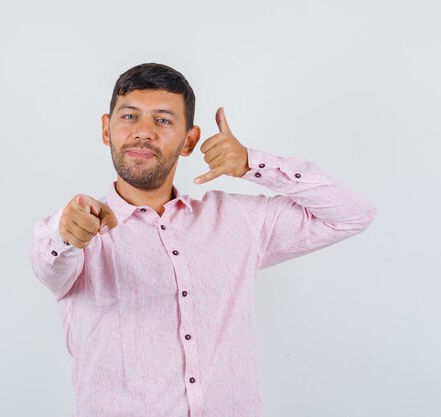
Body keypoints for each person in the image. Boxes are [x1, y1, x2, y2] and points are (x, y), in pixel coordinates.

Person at [29, 62, 376, 417]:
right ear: (107, 129)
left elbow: (352, 214)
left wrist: (250, 163)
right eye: (130, 117)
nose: (144, 132)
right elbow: (49, 262)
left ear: (189, 141)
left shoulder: (237, 221)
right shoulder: (79, 231)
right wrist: (68, 232)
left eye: (163, 120)